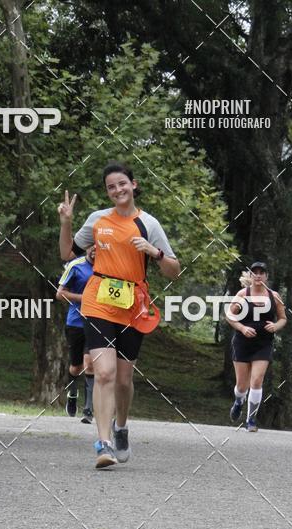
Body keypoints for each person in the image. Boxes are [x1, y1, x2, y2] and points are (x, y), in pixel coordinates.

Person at [58, 163, 180, 468]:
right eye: (111, 187)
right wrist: (66, 223)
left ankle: (121, 426)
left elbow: (174, 271)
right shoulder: (97, 220)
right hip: (98, 301)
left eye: (122, 184)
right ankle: (104, 443)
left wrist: (155, 253)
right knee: (104, 373)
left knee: (124, 380)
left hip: (132, 306)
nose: (117, 190)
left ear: (134, 185)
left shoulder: (148, 224)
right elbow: (67, 254)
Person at [226, 262, 286, 432]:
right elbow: (230, 316)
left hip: (263, 344)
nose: (258, 275)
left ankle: (250, 420)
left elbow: (283, 318)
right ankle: (239, 401)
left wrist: (276, 326)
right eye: (255, 273)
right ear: (251, 276)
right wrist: (242, 328)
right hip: (242, 343)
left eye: (262, 273)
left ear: (266, 276)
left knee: (257, 380)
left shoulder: (274, 296)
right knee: (242, 386)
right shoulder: (243, 294)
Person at [56, 245, 96, 424]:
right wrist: (83, 298)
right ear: (87, 248)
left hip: (97, 322)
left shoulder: (108, 266)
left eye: (99, 246)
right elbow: (60, 293)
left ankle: (88, 409)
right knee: (76, 367)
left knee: (90, 364)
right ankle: (72, 393)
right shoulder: (75, 265)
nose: (95, 249)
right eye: (92, 246)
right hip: (75, 322)